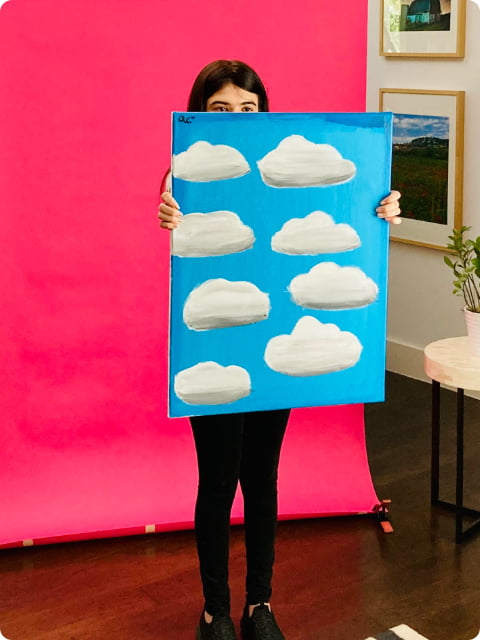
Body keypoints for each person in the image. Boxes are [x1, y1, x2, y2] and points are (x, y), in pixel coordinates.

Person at [158, 60, 402, 640]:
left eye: (249, 109)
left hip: (275, 351)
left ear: (264, 113)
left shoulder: (288, 165)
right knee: (217, 482)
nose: (237, 120)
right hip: (214, 350)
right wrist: (167, 207)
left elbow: (355, 201)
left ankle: (259, 605)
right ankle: (215, 610)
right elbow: (169, 194)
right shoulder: (190, 166)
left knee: (262, 479)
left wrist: (384, 207)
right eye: (220, 110)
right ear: (201, 112)